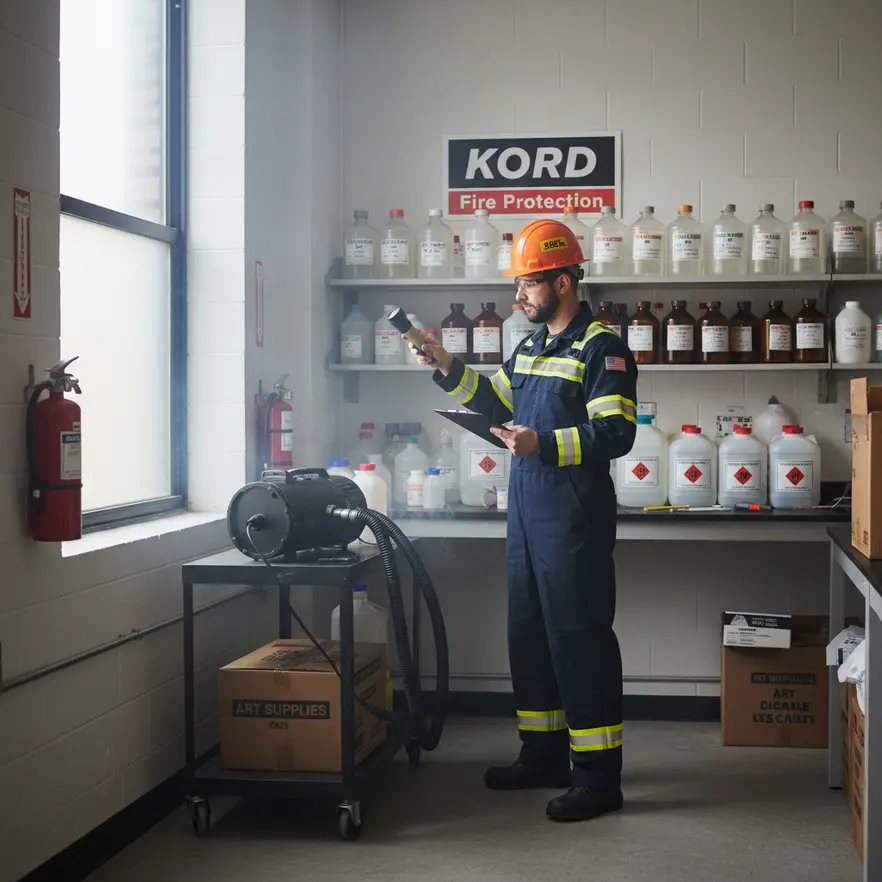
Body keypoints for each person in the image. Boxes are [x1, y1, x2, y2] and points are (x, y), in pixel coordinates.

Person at [410, 218, 638, 822]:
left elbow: (616, 433)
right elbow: (499, 402)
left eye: (529, 285)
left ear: (563, 282)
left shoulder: (602, 349)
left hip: (573, 518)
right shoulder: (533, 346)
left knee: (578, 641)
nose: (519, 298)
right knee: (530, 636)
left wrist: (544, 445)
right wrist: (445, 365)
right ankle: (542, 755)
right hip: (527, 514)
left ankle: (597, 777)